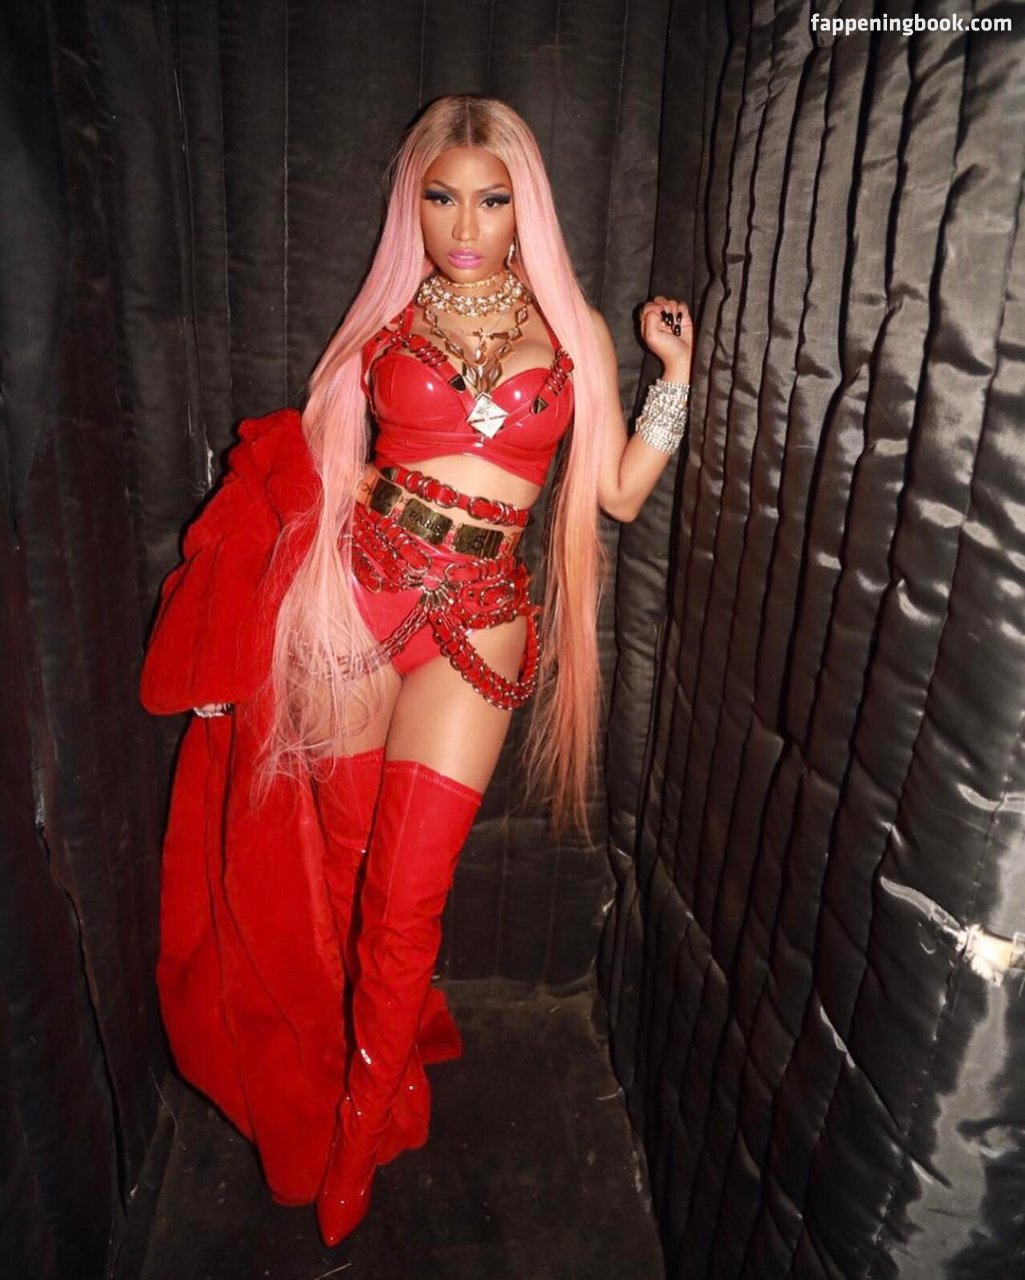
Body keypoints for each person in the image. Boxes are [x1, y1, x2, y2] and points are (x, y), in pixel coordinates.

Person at [140, 93, 692, 1248]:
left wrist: (672, 380)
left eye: (491, 199)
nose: (465, 223)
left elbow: (614, 495)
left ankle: (360, 1124)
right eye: (442, 196)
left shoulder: (574, 329)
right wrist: (253, 617)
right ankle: (353, 1070)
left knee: (405, 895)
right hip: (357, 601)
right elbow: (307, 471)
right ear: (414, 201)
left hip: (481, 622)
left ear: (523, 207)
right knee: (342, 872)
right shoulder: (387, 321)